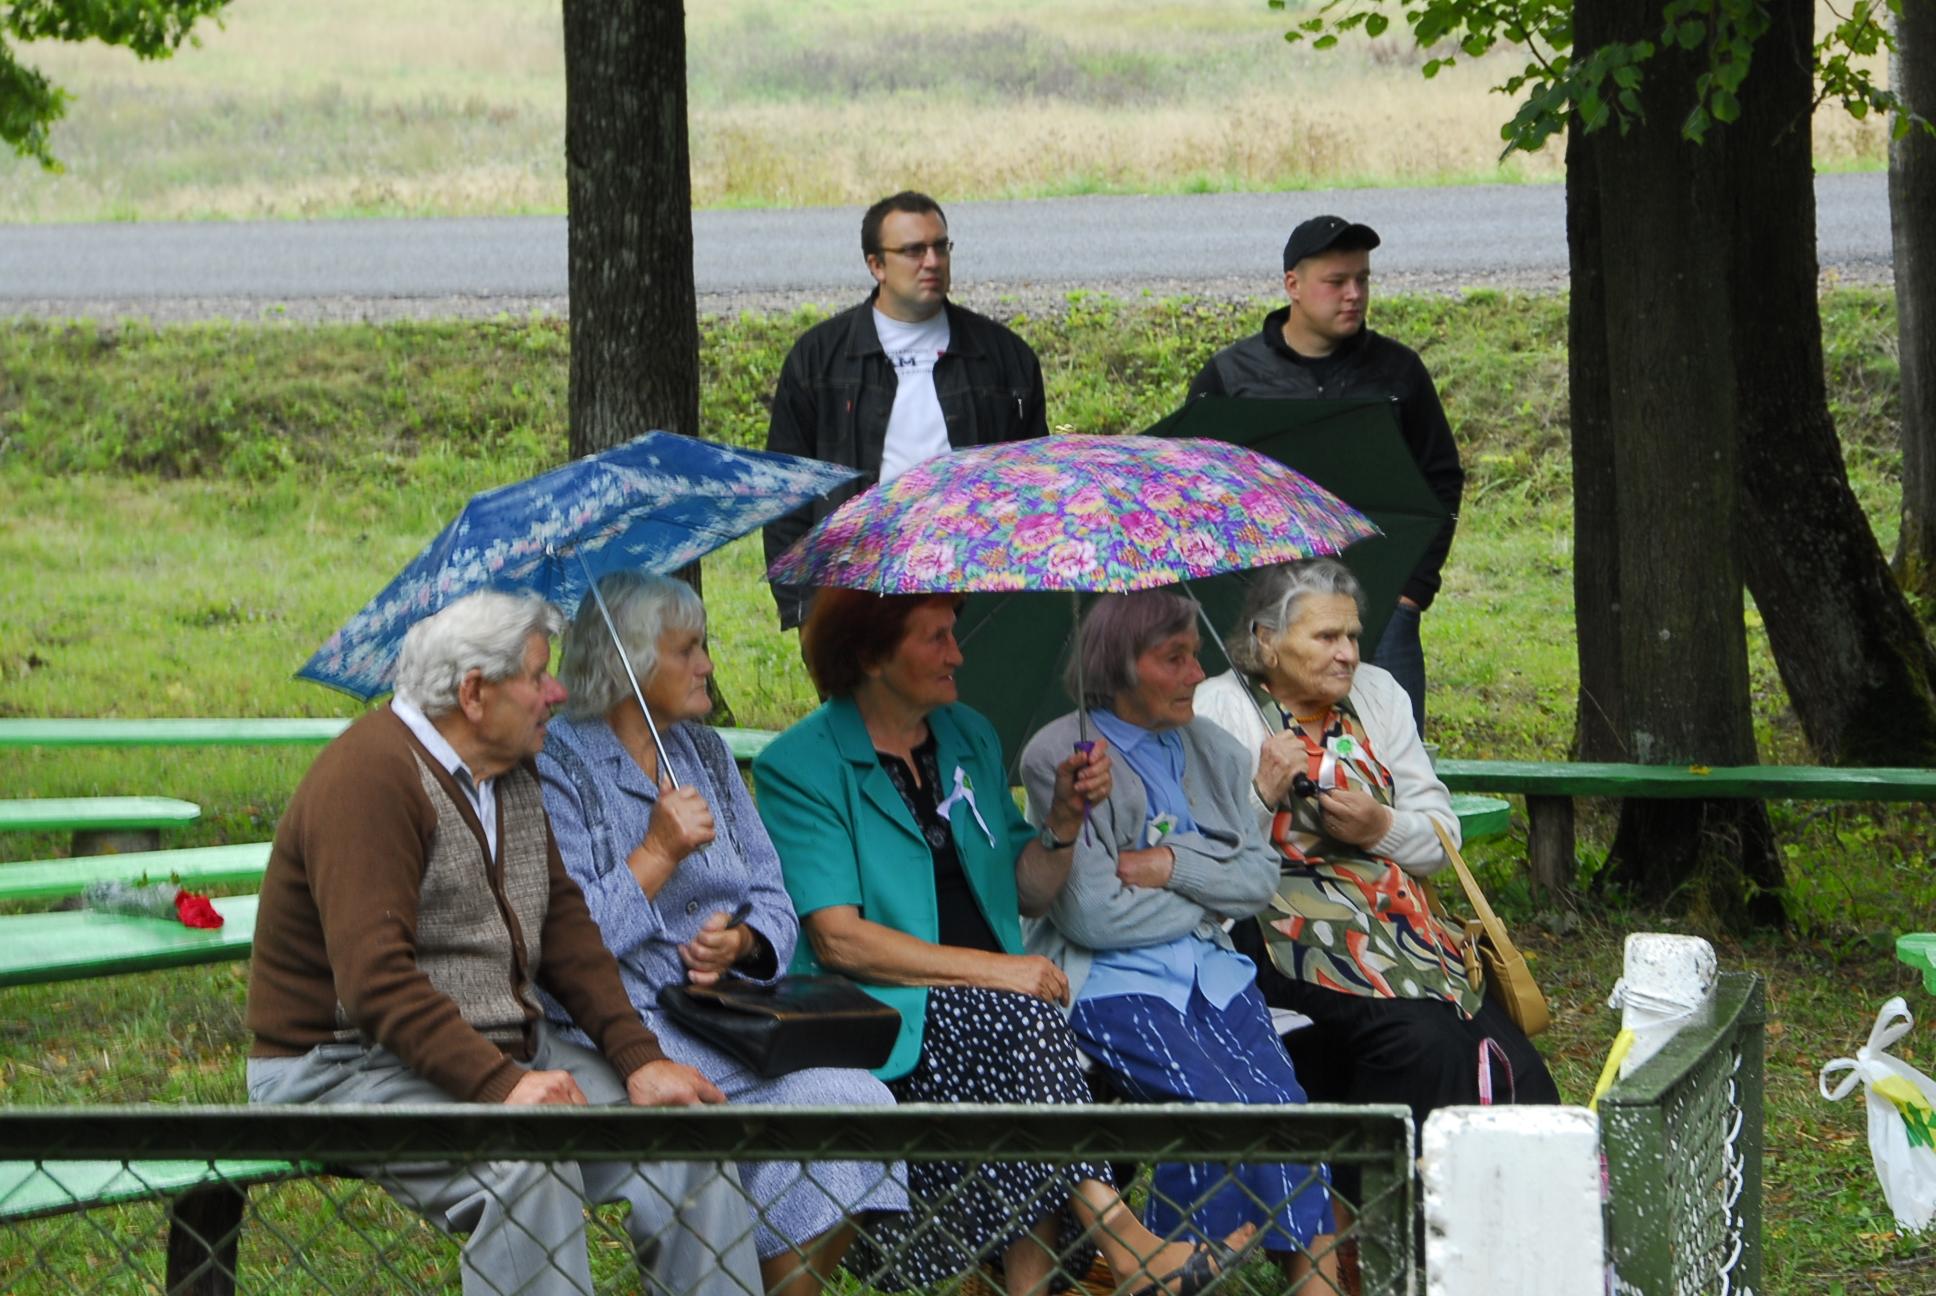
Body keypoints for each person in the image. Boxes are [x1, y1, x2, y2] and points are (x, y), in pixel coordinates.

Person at [245, 590, 760, 1296]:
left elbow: (566, 929)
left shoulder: (510, 770)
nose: (559, 692)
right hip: (341, 1066)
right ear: (475, 693)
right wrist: (503, 1085)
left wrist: (639, 1059)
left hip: (503, 1047)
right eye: (539, 675)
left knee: (686, 1135)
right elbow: (373, 985)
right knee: (528, 1164)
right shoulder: (369, 777)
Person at [754, 588, 1251, 1296]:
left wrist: (1063, 821)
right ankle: (1123, 1241)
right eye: (935, 639)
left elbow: (1027, 889)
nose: (958, 655)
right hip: (877, 1012)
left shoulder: (970, 737)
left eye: (955, 633)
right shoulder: (799, 765)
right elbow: (840, 942)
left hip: (993, 1006)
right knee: (1021, 1020)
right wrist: (996, 972)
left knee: (1024, 1031)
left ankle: (1054, 1277)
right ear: (868, 656)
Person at [535, 571, 908, 1296]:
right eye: (689, 650)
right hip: (622, 1035)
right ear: (630, 663)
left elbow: (770, 889)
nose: (708, 664)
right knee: (723, 1140)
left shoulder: (703, 754)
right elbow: (565, 941)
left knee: (856, 1104)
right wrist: (656, 854)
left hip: (729, 1023)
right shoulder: (558, 767)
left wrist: (741, 945)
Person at [1192, 558, 1558, 1212]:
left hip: (1402, 930)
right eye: (1326, 637)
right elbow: (1204, 863)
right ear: (1267, 641)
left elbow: (1439, 835)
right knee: (1420, 1045)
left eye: (1353, 636)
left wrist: (1380, 825)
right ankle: (1384, 1232)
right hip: (1283, 932)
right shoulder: (1219, 709)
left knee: (1518, 1067)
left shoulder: (1380, 695)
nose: (1347, 654)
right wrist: (1260, 794)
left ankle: (1512, 1235)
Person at [1018, 590, 1337, 1289]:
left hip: (1213, 972)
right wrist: (1206, 893)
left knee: (1286, 1111)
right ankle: (1168, 1274)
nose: (1197, 674)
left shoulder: (1215, 748)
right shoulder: (1059, 754)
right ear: (1118, 666)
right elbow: (1092, 916)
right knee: (1212, 1113)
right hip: (1111, 980)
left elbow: (1256, 881)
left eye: (1194, 655)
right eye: (1174, 658)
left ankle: (1303, 1285)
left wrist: (1170, 867)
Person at [1187, 215, 1463, 734]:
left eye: (1363, 279)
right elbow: (1193, 488)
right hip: (1263, 609)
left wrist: (1413, 592)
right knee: (1251, 751)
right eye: (1336, 282)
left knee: (1392, 757)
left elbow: (1441, 478)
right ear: (1293, 284)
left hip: (1381, 608)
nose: (1354, 294)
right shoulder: (1230, 378)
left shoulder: (1398, 374)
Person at [762, 190, 1048, 633]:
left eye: (940, 247)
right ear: (876, 264)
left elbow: (1035, 484)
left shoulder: (1005, 358)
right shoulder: (818, 360)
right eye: (913, 250)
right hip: (857, 586)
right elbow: (786, 494)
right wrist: (804, 610)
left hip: (974, 585)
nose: (931, 262)